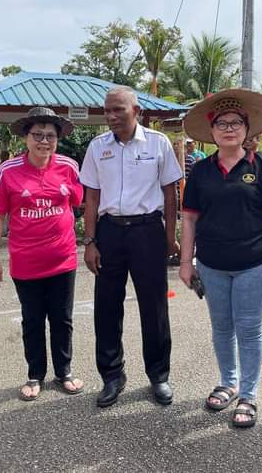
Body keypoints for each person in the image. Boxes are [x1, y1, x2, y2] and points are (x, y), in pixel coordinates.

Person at [179, 89, 262, 428]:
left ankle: (248, 394)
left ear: (246, 128)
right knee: (222, 327)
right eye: (222, 123)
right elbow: (190, 219)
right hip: (211, 263)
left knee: (249, 327)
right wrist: (186, 262)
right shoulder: (201, 171)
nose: (229, 129)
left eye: (236, 123)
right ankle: (228, 381)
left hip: (254, 262)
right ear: (211, 131)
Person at [80, 86, 182, 408]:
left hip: (147, 232)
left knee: (154, 307)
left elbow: (170, 193)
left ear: (135, 110)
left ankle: (159, 375)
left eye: (118, 110)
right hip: (110, 233)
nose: (111, 116)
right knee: (107, 307)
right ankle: (112, 376)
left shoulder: (158, 143)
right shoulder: (97, 147)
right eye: (107, 110)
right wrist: (90, 241)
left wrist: (170, 236)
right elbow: (92, 197)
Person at [0, 107, 85, 400]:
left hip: (63, 258)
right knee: (32, 320)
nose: (44, 141)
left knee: (62, 318)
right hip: (26, 262)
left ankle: (64, 371)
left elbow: (80, 201)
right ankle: (35, 375)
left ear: (58, 139)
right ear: (26, 138)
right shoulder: (9, 170)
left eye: (51, 136)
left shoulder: (68, 165)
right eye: (38, 135)